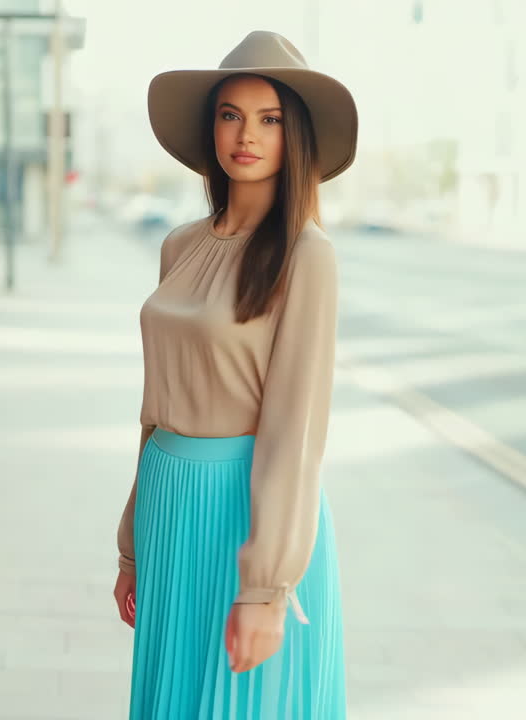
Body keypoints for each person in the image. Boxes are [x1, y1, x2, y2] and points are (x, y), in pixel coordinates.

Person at [112, 30, 358, 719]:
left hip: (244, 510)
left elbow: (294, 429)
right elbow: (153, 410)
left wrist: (267, 587)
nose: (246, 134)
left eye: (270, 118)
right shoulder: (179, 246)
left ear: (295, 136)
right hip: (168, 500)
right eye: (230, 114)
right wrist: (131, 544)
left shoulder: (307, 256)